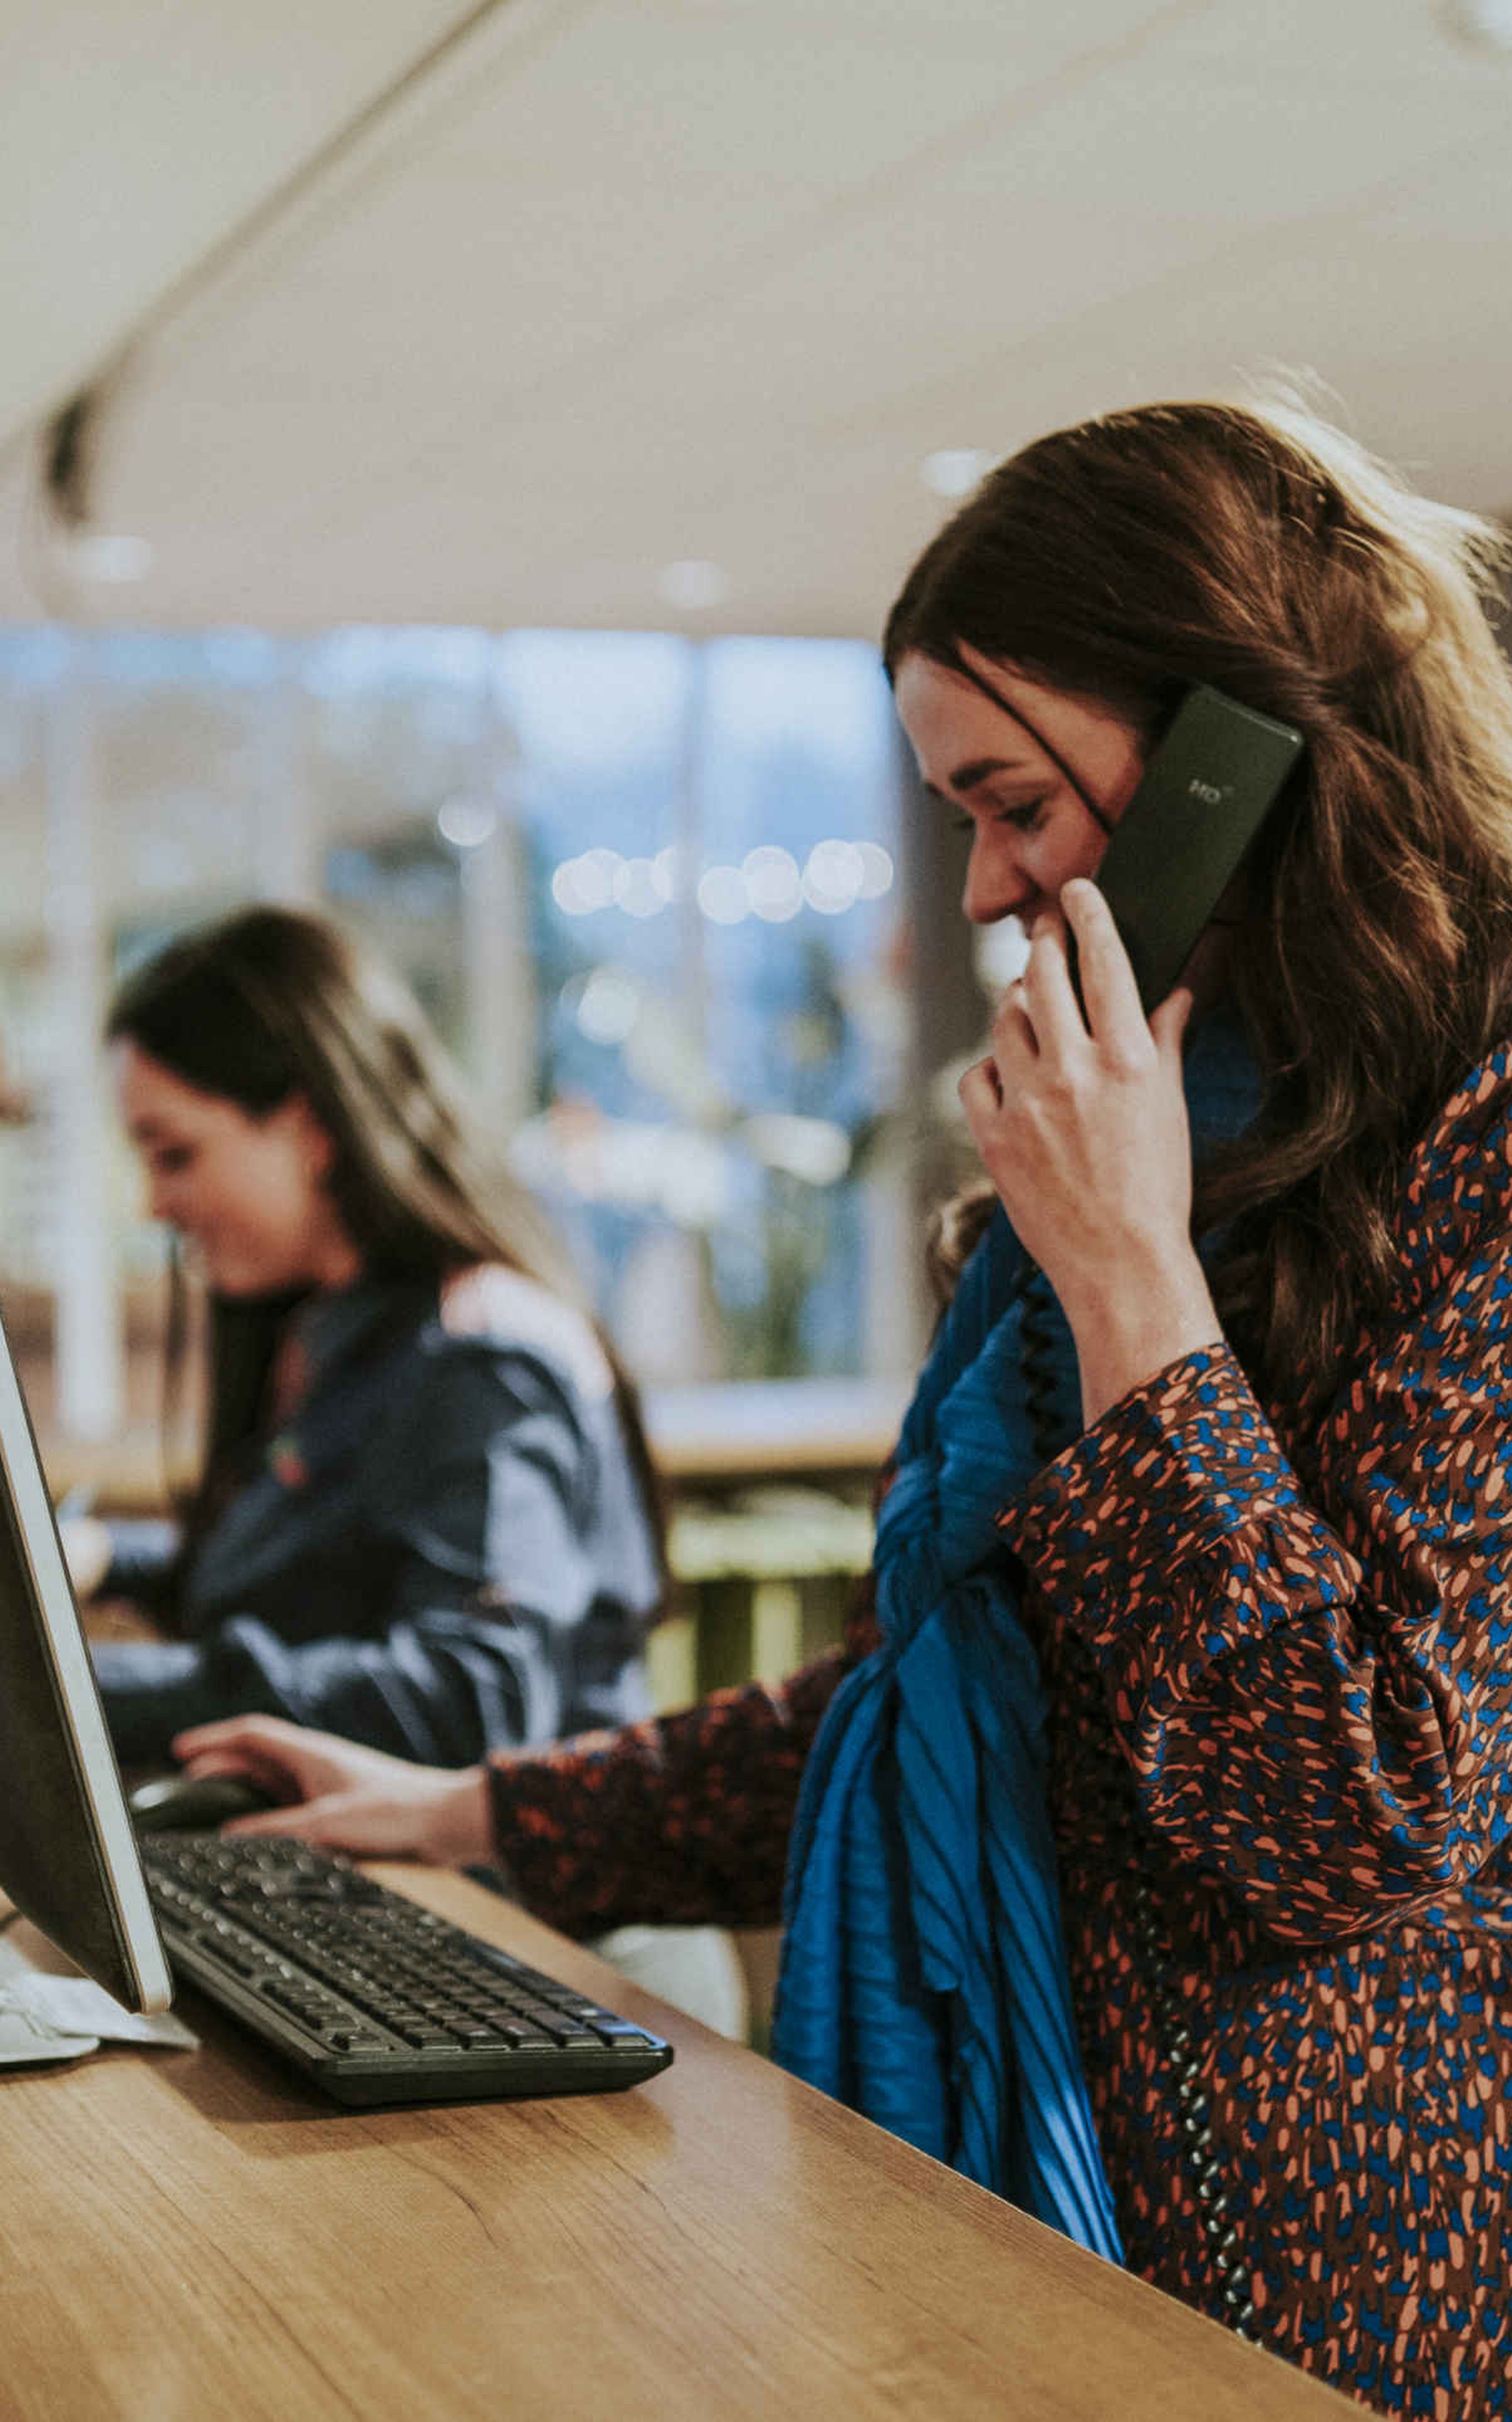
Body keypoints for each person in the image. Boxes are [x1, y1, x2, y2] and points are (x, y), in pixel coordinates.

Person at [170, 400, 1512, 2421]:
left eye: (1015, 804)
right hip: (984, 2228)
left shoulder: (1467, 1155)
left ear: (1235, 766)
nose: (981, 889)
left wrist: (1131, 1282)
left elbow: (1352, 1817)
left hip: (1309, 2291)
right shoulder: (1150, 1148)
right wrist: (482, 1814)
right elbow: (933, 1687)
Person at [63, 904, 662, 1770]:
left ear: (308, 1129)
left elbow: (473, 1700)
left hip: (500, 1902)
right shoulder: (332, 1324)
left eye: (176, 1154)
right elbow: (315, 1555)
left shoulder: (485, 1355)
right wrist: (106, 1553)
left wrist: (77, 1694)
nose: (155, 1204)